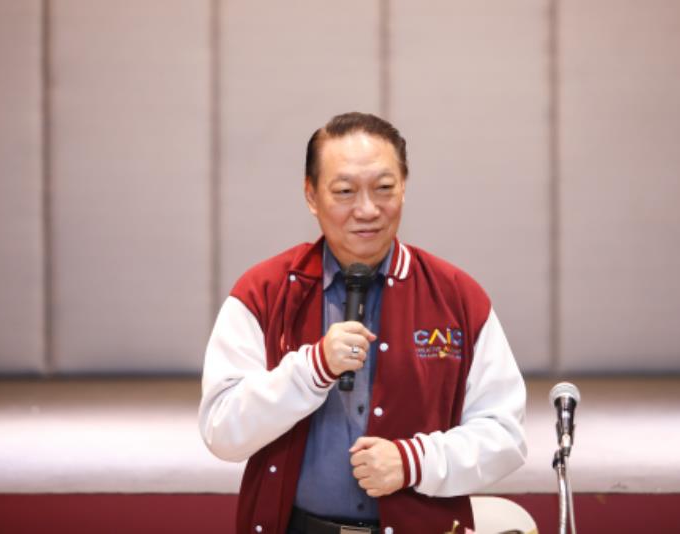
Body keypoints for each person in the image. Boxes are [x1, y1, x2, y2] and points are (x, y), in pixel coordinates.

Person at [199, 112, 526, 534]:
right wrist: (312, 369)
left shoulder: (456, 297)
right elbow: (221, 431)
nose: (367, 210)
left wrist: (414, 461)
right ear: (311, 195)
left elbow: (505, 435)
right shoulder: (264, 291)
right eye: (345, 191)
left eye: (384, 188)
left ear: (404, 186)